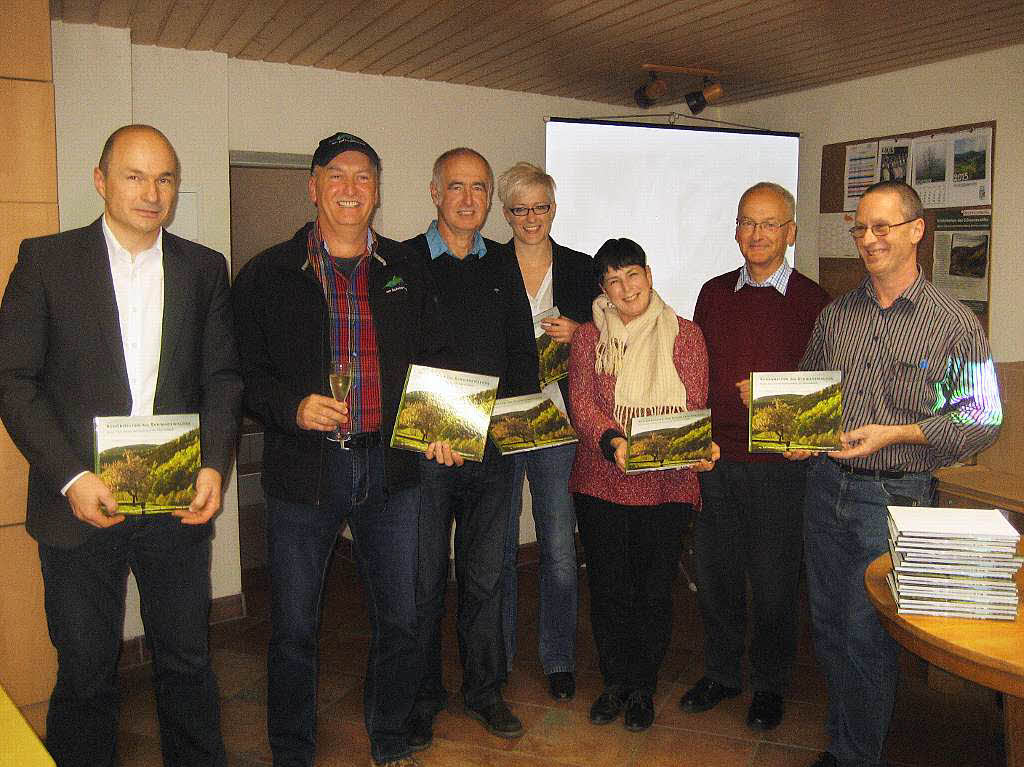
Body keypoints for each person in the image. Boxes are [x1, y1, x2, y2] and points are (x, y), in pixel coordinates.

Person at [0, 124, 242, 767]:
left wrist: (215, 463)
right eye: (134, 176)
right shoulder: (45, 261)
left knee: (188, 662)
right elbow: (13, 381)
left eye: (164, 177)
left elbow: (222, 377)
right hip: (79, 505)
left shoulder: (203, 267)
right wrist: (72, 478)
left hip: (175, 503)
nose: (151, 191)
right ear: (101, 180)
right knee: (85, 671)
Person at [231, 132, 448, 767]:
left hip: (391, 466)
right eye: (337, 176)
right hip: (306, 470)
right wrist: (292, 407)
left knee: (401, 619)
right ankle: (291, 749)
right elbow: (245, 373)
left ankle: (389, 734)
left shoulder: (407, 268)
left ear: (377, 192)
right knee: (295, 628)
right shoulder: (267, 273)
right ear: (314, 186)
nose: (350, 189)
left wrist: (441, 424)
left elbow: (435, 361)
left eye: (363, 178)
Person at [796, 180, 1001, 767]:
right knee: (830, 627)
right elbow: (815, 393)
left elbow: (981, 418)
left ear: (917, 230)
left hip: (895, 496)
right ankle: (844, 744)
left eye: (882, 226)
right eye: (860, 227)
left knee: (865, 634)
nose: (868, 239)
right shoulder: (837, 316)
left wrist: (900, 433)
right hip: (826, 489)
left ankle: (858, 756)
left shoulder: (952, 323)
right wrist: (797, 436)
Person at [680, 182, 830, 730]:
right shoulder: (712, 293)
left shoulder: (815, 301)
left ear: (790, 232)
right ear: (736, 230)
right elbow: (695, 375)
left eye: (770, 224)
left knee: (773, 583)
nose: (757, 234)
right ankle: (721, 673)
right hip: (716, 459)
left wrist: (776, 396)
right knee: (715, 575)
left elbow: (827, 387)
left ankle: (770, 684)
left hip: (779, 467)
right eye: (748, 222)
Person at [403, 148, 538, 746]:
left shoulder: (502, 267)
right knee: (424, 580)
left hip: (491, 458)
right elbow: (392, 357)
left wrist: (509, 430)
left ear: (489, 199)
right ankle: (423, 695)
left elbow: (522, 359)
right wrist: (430, 431)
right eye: (455, 187)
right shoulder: (404, 262)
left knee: (486, 579)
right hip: (425, 456)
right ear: (434, 192)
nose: (467, 199)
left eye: (478, 188)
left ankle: (484, 692)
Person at [569, 237, 718, 733]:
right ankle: (615, 683)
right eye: (612, 279)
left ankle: (642, 688)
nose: (625, 286)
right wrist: (614, 441)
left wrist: (658, 448)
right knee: (609, 588)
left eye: (631, 274)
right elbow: (582, 405)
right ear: (603, 290)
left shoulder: (686, 335)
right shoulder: (589, 338)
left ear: (649, 276)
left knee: (653, 589)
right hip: (600, 479)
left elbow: (692, 401)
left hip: (666, 484)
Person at [495, 162, 596, 702]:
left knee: (558, 545)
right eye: (520, 208)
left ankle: (558, 657)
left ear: (553, 209)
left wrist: (581, 332)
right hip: (502, 418)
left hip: (559, 421)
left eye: (541, 207)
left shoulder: (580, 268)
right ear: (505, 212)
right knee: (501, 541)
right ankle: (502, 654)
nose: (531, 218)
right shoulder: (487, 265)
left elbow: (613, 334)